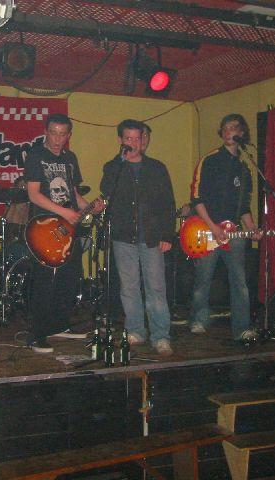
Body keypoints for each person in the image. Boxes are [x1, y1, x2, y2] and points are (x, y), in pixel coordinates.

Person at [24, 113, 104, 353]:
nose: (58, 139)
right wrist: (64, 212)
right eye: (54, 133)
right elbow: (33, 194)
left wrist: (90, 206)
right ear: (46, 132)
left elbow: (73, 193)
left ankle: (58, 325)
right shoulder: (36, 155)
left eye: (62, 134)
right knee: (44, 281)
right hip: (45, 227)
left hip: (68, 229)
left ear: (69, 135)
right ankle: (37, 334)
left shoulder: (70, 158)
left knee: (69, 277)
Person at [100, 119, 176, 356]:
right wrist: (119, 161)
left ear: (143, 140)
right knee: (129, 287)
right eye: (128, 138)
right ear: (121, 140)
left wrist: (167, 234)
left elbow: (168, 203)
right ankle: (135, 330)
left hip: (152, 237)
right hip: (123, 237)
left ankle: (161, 336)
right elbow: (106, 190)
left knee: (156, 288)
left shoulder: (157, 168)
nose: (133, 143)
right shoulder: (113, 167)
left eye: (137, 138)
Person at [189, 113, 262, 344]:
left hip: (234, 232)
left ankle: (242, 328)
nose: (231, 131)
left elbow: (244, 206)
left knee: (240, 282)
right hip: (207, 229)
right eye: (227, 127)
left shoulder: (244, 168)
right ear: (222, 133)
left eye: (236, 127)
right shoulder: (209, 160)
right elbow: (196, 198)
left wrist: (251, 227)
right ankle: (199, 319)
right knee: (204, 279)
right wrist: (212, 227)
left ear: (242, 133)